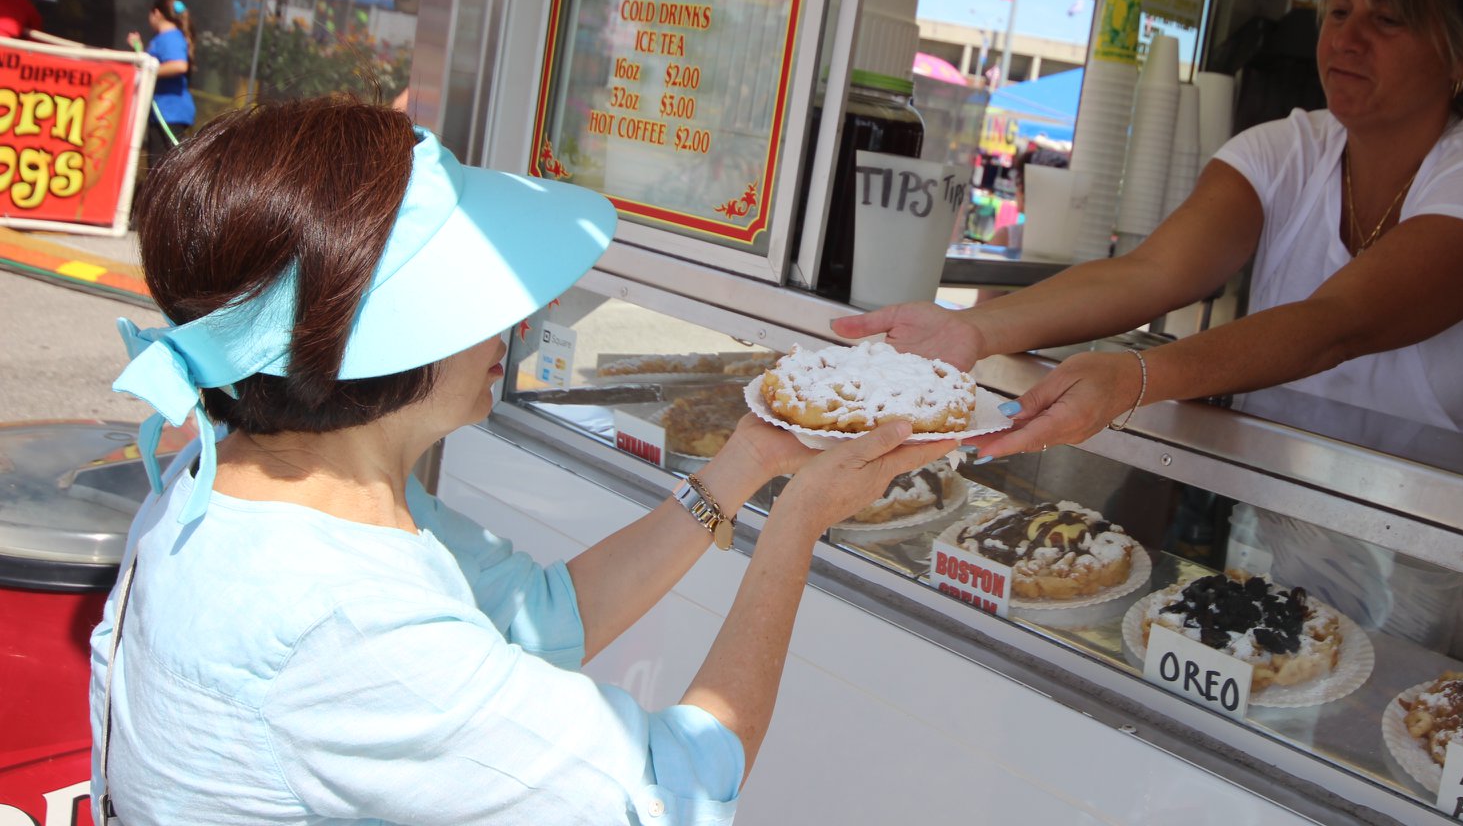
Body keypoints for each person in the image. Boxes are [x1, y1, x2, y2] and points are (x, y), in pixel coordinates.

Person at [92, 96, 951, 825]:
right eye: (473, 293)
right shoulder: (347, 625)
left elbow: (542, 618)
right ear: (382, 337)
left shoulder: (254, 484)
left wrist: (748, 462)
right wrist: (796, 525)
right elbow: (673, 789)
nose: (518, 318)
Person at [837, 0, 1463, 664]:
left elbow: (1338, 324)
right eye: (1339, 11)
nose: (1348, 40)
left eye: (1387, 21)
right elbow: (1154, 271)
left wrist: (1136, 377)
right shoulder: (1287, 150)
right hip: (1308, 524)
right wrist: (975, 329)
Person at [126, 0, 198, 165]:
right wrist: (138, 49)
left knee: (163, 166)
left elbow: (179, 65)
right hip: (164, 112)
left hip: (169, 112)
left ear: (157, 14)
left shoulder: (169, 37)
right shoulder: (166, 38)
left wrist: (149, 72)